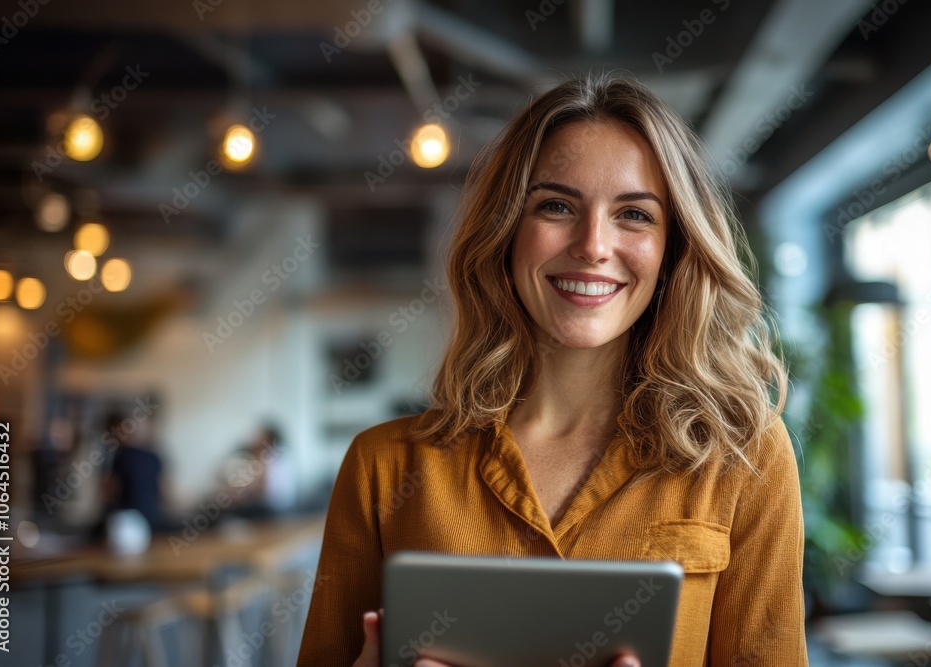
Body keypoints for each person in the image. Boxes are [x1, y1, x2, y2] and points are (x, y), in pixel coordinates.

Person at [297, 73, 807, 666]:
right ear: (508, 231)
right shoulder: (382, 469)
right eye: (557, 206)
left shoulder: (742, 458)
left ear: (674, 249)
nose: (593, 244)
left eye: (635, 215)